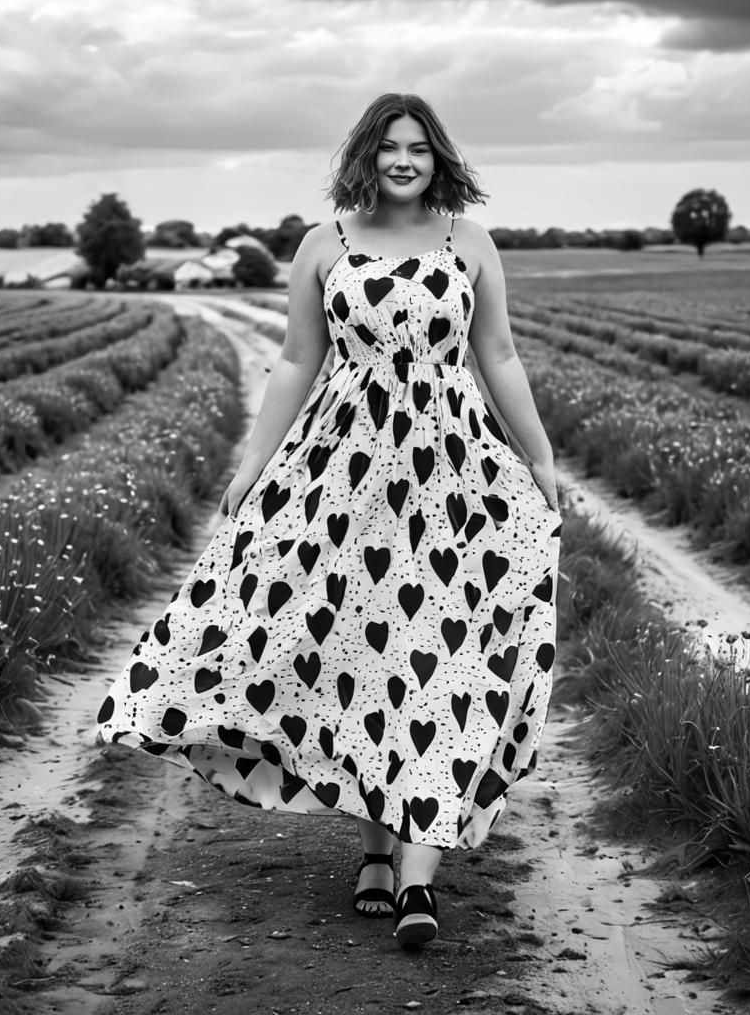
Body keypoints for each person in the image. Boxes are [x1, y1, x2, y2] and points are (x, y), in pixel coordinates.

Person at [96, 92, 561, 950]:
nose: (405, 161)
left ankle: (417, 881)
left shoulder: (471, 242)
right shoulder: (325, 245)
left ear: (438, 157)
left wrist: (538, 460)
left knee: (442, 658)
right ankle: (374, 854)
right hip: (345, 476)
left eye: (419, 148)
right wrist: (253, 467)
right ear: (366, 155)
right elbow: (295, 361)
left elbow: (496, 354)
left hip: (454, 480)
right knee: (367, 653)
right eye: (390, 147)